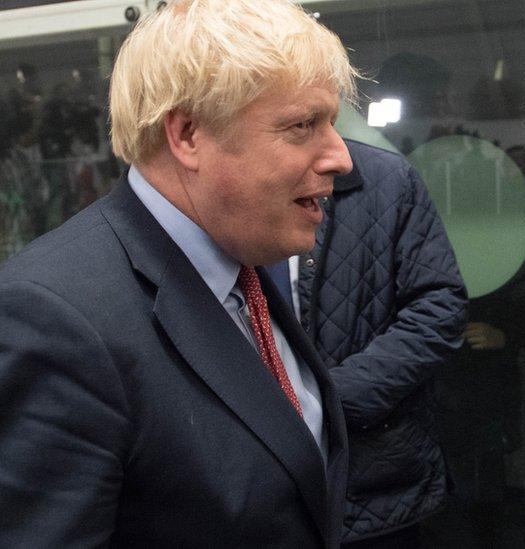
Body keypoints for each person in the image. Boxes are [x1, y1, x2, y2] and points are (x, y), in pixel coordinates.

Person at [0, 1, 357, 546]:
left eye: (330, 122)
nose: (341, 157)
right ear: (188, 135)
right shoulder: (54, 319)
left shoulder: (239, 258)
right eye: (303, 125)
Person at [281, 139, 466, 547]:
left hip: (374, 479)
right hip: (256, 485)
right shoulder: (223, 185)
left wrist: (333, 400)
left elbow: (439, 308)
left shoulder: (386, 179)